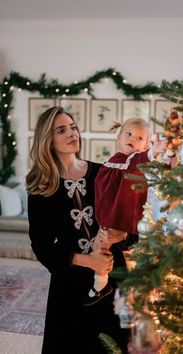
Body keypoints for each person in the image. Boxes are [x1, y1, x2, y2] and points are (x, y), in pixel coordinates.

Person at [25, 106, 133, 354]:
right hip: (69, 282)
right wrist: (86, 260)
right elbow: (40, 246)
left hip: (112, 272)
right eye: (61, 130)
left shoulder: (103, 173)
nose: (72, 133)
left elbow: (128, 223)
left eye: (73, 127)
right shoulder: (40, 185)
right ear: (47, 140)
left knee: (116, 343)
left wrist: (120, 235)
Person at [85, 118, 170, 306]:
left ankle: (101, 285)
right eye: (129, 133)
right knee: (100, 247)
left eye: (140, 138)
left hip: (120, 215)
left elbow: (143, 158)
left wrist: (153, 152)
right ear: (119, 136)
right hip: (108, 214)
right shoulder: (113, 160)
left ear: (144, 145)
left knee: (103, 246)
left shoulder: (134, 160)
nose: (132, 138)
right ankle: (104, 283)